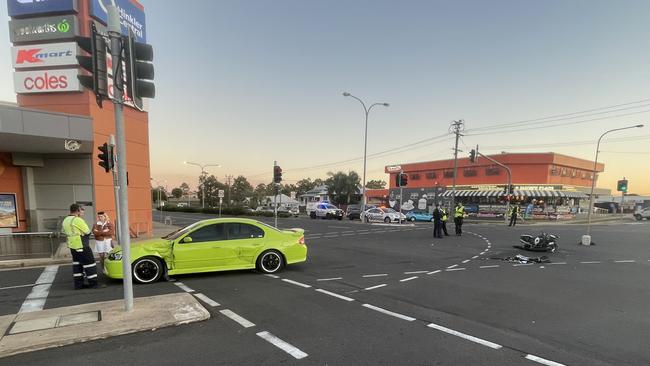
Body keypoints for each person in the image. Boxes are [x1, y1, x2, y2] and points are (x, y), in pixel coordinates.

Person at [62, 204, 98, 289]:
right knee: (90, 264)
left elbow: (64, 231)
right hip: (82, 245)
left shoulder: (65, 220)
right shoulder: (77, 220)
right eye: (82, 210)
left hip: (72, 246)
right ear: (77, 211)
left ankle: (78, 285)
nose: (83, 211)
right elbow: (87, 231)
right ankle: (93, 284)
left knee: (77, 265)